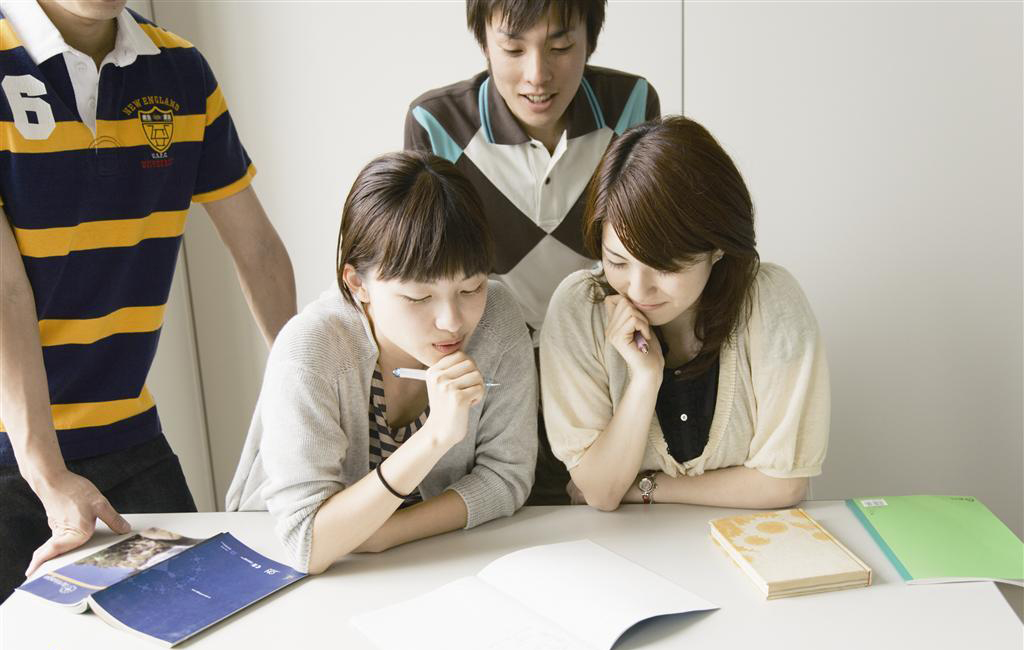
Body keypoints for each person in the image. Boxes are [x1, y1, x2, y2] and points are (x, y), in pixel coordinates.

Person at [0, 0, 296, 603]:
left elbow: (258, 247)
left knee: (209, 612)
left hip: (126, 432)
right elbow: (4, 293)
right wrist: (48, 473)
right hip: (11, 449)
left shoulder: (180, 69)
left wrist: (307, 389)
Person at [226, 151, 537, 574]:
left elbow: (507, 476)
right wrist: (435, 438)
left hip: (422, 566)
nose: (452, 321)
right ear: (358, 284)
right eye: (419, 296)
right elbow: (306, 543)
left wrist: (386, 533)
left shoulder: (497, 319)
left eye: (471, 287)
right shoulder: (310, 350)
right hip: (274, 570)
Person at [405, 0, 660, 504]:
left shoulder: (630, 105)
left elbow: (641, 246)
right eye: (513, 48)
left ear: (590, 37)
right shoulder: (438, 124)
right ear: (484, 41)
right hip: (491, 378)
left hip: (597, 371)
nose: (537, 75)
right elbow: (433, 274)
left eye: (561, 46)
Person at [540, 116, 830, 511]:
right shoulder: (580, 310)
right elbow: (601, 492)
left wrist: (645, 488)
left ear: (718, 246)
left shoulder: (770, 302)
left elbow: (783, 485)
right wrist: (645, 379)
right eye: (617, 262)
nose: (638, 290)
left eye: (665, 267)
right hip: (622, 545)